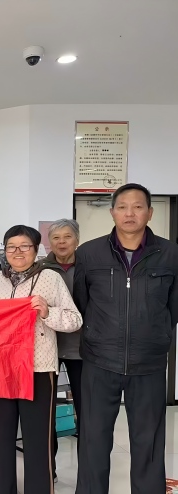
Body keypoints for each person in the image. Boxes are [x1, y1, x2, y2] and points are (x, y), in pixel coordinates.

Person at [0, 224, 82, 494]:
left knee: (37, 437)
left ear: (36, 250)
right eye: (11, 247)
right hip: (2, 369)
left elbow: (74, 320)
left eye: (25, 246)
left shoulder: (50, 278)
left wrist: (47, 312)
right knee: (2, 435)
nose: (18, 251)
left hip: (38, 368)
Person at [74, 184, 178, 494]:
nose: (129, 213)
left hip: (149, 363)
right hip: (99, 361)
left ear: (150, 212)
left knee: (148, 442)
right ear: (112, 212)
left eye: (137, 207)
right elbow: (81, 303)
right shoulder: (89, 253)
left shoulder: (171, 254)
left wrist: (157, 334)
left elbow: (173, 306)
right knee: (93, 439)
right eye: (122, 207)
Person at [42, 218, 81, 481]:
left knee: (88, 412)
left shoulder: (90, 266)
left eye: (67, 237)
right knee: (46, 414)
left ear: (77, 239)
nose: (62, 242)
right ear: (49, 242)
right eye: (56, 238)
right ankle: (49, 471)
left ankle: (87, 471)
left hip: (83, 350)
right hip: (48, 349)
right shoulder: (40, 269)